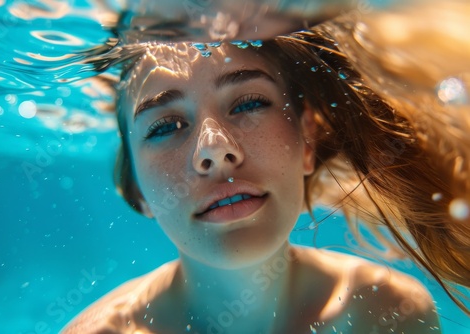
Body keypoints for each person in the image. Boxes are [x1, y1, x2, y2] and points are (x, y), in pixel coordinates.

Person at [61, 28, 450, 333]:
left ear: (308, 140)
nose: (214, 149)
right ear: (136, 192)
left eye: (248, 103)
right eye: (166, 126)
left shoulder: (389, 315)